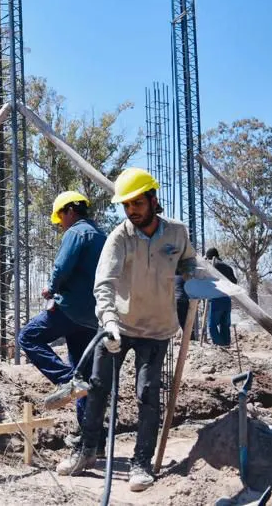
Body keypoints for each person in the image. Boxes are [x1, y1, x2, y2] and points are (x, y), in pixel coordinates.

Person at [57, 168, 197, 492]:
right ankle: (86, 450)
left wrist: (196, 279)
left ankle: (141, 463)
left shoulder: (177, 233)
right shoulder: (119, 237)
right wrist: (108, 322)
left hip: (158, 330)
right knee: (97, 387)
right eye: (126, 205)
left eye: (137, 203)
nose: (132, 210)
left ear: (152, 198)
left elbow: (188, 263)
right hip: (118, 325)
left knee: (148, 394)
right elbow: (103, 283)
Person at [17, 191, 105, 433]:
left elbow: (62, 266)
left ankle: (66, 380)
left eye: (60, 217)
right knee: (84, 378)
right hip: (92, 316)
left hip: (70, 309)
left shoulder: (76, 232)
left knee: (28, 336)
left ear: (69, 211)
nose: (60, 224)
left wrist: (51, 288)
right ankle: (92, 441)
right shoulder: (103, 236)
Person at [205, 247, 238, 346]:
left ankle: (219, 345)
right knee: (225, 324)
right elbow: (234, 282)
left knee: (212, 325)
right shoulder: (227, 267)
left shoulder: (211, 266)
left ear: (209, 257)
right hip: (227, 299)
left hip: (216, 299)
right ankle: (226, 344)